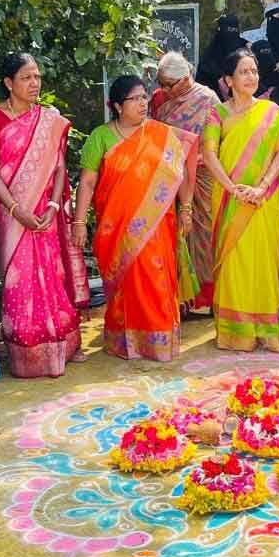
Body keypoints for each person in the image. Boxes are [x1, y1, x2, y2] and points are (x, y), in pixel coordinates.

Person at [0, 53, 89, 379]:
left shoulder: (49, 119)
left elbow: (58, 167)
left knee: (52, 276)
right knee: (21, 280)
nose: (35, 83)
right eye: (26, 77)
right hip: (13, 213)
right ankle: (29, 353)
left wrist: (53, 206)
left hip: (46, 212)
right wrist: (16, 209)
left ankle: (63, 345)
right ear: (8, 83)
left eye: (37, 77)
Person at [73, 75, 199, 361]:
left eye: (145, 97)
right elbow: (88, 182)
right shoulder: (100, 137)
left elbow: (182, 174)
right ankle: (124, 341)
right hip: (115, 229)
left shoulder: (163, 135)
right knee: (125, 285)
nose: (143, 103)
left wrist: (187, 209)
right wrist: (79, 222)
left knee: (155, 279)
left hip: (156, 226)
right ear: (118, 105)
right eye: (135, 98)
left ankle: (159, 341)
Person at [202, 48, 279, 351]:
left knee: (263, 260)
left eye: (253, 71)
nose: (251, 76)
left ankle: (265, 331)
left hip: (263, 200)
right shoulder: (218, 114)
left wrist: (263, 186)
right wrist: (231, 188)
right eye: (243, 71)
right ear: (228, 79)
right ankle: (236, 333)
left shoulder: (272, 113)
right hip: (230, 199)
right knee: (234, 261)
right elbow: (209, 153)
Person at [153, 51, 222, 311]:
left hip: (203, 176)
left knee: (202, 231)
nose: (163, 89)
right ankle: (179, 296)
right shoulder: (160, 100)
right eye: (160, 83)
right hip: (170, 175)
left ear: (185, 79)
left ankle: (204, 297)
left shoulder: (208, 99)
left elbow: (217, 140)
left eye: (168, 85)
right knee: (174, 233)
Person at [195, 14, 246, 97]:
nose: (230, 35)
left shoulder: (246, 49)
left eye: (234, 30)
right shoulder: (210, 57)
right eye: (228, 30)